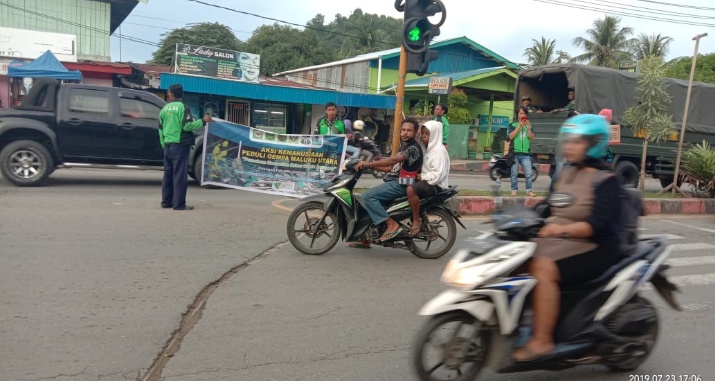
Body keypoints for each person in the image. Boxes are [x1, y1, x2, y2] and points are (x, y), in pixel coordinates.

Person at [512, 114, 622, 362]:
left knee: (542, 266)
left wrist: (560, 230)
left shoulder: (608, 180)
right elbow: (548, 206)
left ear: (594, 143)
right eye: (568, 141)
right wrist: (518, 220)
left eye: (577, 142)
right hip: (563, 241)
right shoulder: (565, 173)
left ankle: (542, 341)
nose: (569, 146)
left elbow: (600, 225)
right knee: (514, 257)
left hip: (597, 247)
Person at [352, 118, 423, 245]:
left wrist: (368, 163)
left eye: (409, 130)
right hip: (394, 182)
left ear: (416, 132)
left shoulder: (412, 148)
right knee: (365, 201)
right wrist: (368, 166)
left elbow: (392, 161)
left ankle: (391, 224)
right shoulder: (405, 146)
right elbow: (390, 168)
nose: (405, 133)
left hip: (401, 184)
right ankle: (366, 238)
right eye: (403, 130)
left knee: (367, 196)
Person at [159, 84, 212, 211]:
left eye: (168, 93)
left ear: (171, 94)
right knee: (179, 175)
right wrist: (203, 121)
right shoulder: (183, 108)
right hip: (180, 146)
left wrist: (164, 144)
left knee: (168, 174)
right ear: (181, 94)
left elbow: (160, 129)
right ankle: (178, 204)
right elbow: (187, 126)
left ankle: (166, 202)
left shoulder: (164, 109)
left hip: (167, 146)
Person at [406, 120, 450, 236]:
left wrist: (421, 176)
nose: (424, 136)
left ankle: (416, 220)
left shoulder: (439, 152)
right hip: (428, 182)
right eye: (423, 133)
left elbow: (437, 175)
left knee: (411, 189)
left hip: (436, 185)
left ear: (435, 135)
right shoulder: (428, 149)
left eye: (427, 134)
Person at [508, 105, 536, 197]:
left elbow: (532, 138)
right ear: (517, 115)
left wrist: (528, 128)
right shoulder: (512, 125)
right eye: (521, 113)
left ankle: (529, 191)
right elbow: (510, 137)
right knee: (514, 173)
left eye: (524, 113)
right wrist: (519, 126)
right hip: (515, 153)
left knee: (528, 173)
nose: (522, 115)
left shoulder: (530, 125)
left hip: (526, 154)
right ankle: (514, 190)